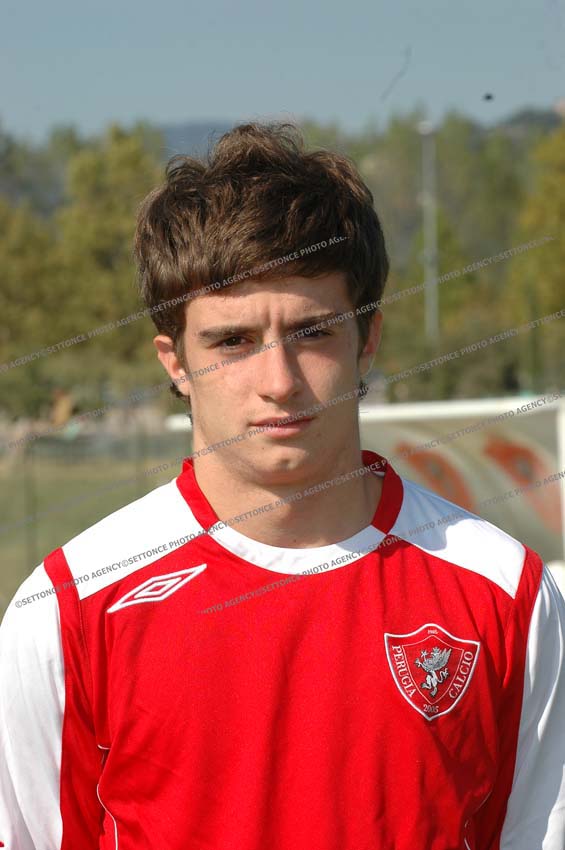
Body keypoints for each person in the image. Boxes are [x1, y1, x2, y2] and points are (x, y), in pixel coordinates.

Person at [1, 122, 564, 850]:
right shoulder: (69, 608)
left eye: (313, 332)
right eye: (232, 341)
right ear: (175, 362)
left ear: (367, 340)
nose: (278, 381)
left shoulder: (505, 593)